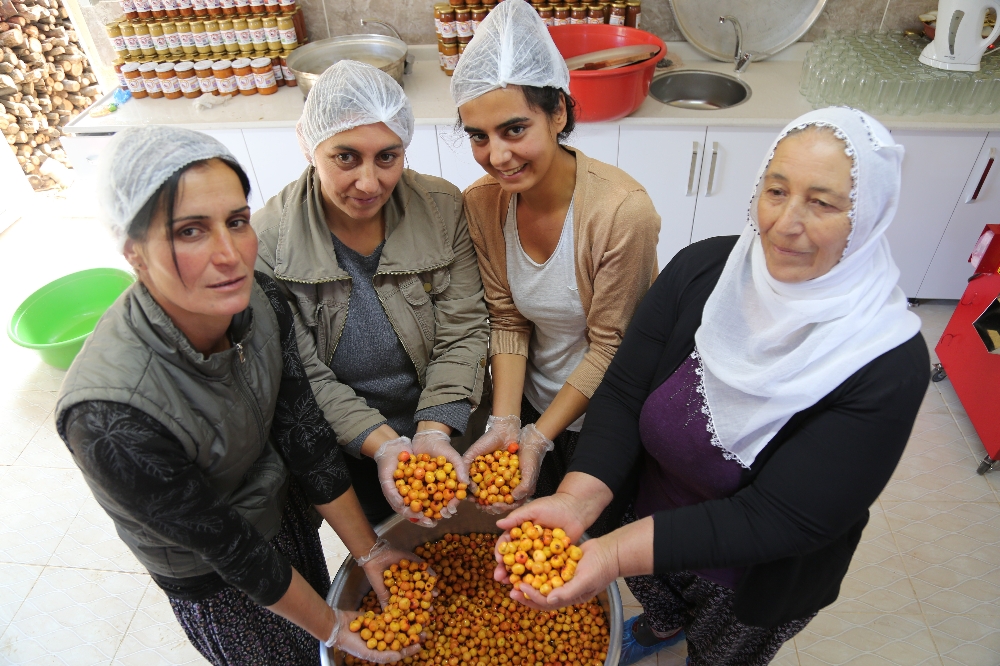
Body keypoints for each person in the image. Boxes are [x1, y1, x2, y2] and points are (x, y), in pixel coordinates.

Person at [493, 108, 930, 666]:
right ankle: (664, 625)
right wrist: (579, 499)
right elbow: (625, 392)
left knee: (720, 654)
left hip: (751, 576)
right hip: (651, 523)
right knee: (663, 602)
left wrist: (609, 556)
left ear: (868, 217)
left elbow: (779, 519)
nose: (784, 223)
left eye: (822, 202)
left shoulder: (887, 362)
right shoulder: (705, 270)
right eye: (776, 190)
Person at [56, 126, 426, 666]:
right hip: (215, 573)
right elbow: (230, 548)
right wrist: (333, 628)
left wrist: (368, 549)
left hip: (280, 511)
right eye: (189, 232)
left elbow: (303, 431)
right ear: (133, 251)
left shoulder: (257, 300)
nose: (229, 255)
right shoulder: (109, 417)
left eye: (236, 221)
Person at [253, 61, 490, 527]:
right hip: (350, 445)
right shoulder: (270, 244)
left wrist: (435, 430)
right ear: (310, 145)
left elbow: (463, 329)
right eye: (346, 157)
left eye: (388, 156)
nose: (369, 183)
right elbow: (306, 376)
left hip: (446, 423)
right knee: (384, 539)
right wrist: (384, 446)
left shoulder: (442, 209)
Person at [451, 0, 660, 527]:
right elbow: (508, 319)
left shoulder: (619, 212)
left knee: (591, 543)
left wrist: (541, 437)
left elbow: (613, 345)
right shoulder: (483, 203)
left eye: (514, 129)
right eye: (479, 136)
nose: (497, 156)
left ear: (559, 113)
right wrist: (507, 422)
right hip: (530, 403)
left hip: (607, 414)